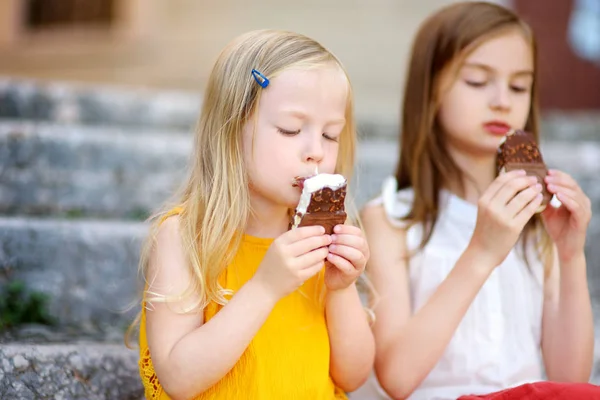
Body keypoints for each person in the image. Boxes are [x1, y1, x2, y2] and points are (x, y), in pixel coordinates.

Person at [359, 2, 595, 399]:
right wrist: (482, 252)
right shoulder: (390, 220)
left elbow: (570, 378)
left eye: (519, 86)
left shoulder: (537, 222)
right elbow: (396, 378)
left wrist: (571, 256)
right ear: (430, 89)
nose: (502, 100)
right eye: (476, 81)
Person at [134, 29, 375, 399]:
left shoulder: (321, 240)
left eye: (330, 135)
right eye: (291, 129)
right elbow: (179, 380)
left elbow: (353, 376)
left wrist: (341, 291)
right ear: (231, 130)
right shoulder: (186, 238)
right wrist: (265, 287)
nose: (315, 151)